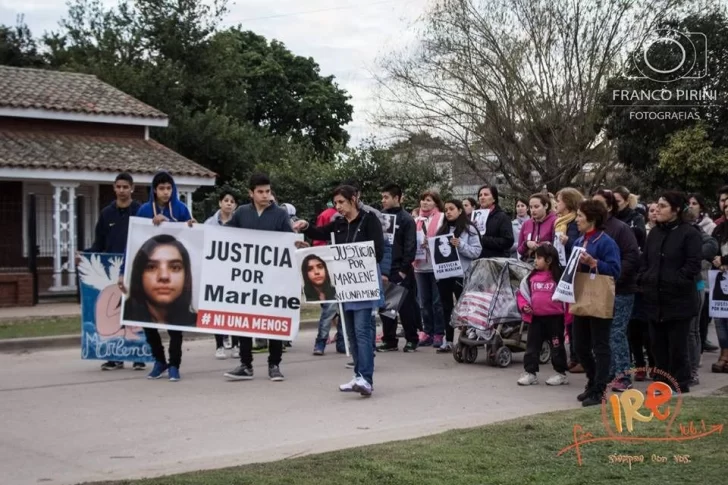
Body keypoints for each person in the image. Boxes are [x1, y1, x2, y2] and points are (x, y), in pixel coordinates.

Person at [294, 185, 384, 397]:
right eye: (335, 203)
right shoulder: (338, 224)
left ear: (354, 199)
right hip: (344, 286)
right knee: (350, 331)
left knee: (362, 331)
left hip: (363, 284)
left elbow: (378, 252)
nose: (338, 207)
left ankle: (366, 378)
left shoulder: (370, 219)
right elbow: (320, 233)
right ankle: (358, 375)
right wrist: (306, 226)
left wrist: (357, 258)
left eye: (342, 202)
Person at [222, 174, 294, 382]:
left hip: (273, 278)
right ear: (251, 193)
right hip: (246, 279)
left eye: (268, 191)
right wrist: (197, 230)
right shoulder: (242, 213)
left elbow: (289, 240)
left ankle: (274, 364)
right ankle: (246, 364)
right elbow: (224, 236)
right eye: (260, 191)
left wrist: (297, 245)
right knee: (244, 321)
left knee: (273, 320)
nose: (265, 195)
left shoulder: (280, 214)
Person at [77, 172, 145, 372]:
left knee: (135, 312)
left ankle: (138, 355)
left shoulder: (140, 210)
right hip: (111, 272)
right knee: (114, 314)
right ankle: (115, 357)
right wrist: (85, 255)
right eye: (119, 187)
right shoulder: (107, 213)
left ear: (132, 188)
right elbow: (99, 243)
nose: (122, 190)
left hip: (134, 268)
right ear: (114, 188)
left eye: (126, 187)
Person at [132, 171, 195, 381]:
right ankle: (160, 361)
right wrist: (151, 222)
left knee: (175, 324)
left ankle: (174, 364)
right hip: (148, 274)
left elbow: (191, 235)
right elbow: (133, 242)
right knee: (148, 322)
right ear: (155, 190)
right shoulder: (143, 210)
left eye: (169, 188)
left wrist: (192, 225)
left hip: (173, 273)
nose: (166, 192)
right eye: (161, 188)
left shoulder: (180, 208)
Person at [638, 191, 702, 394]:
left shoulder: (689, 233)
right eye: (657, 205)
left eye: (663, 206)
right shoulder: (655, 233)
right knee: (657, 346)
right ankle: (662, 381)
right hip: (654, 300)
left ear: (675, 210)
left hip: (678, 301)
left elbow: (692, 266)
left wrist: (675, 280)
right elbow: (645, 261)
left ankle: (680, 383)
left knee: (677, 347)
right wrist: (645, 278)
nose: (658, 209)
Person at [571, 199, 622, 407]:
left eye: (580, 216)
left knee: (600, 346)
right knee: (580, 345)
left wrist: (594, 263)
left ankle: (600, 388)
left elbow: (615, 271)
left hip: (599, 298)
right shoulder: (578, 241)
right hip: (582, 297)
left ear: (591, 219)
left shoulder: (606, 242)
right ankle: (593, 380)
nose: (576, 220)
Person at [592, 189, 640, 392]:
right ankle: (609, 370)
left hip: (620, 289)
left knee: (616, 332)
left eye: (599, 203)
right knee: (603, 333)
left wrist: (616, 276)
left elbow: (631, 257)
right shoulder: (594, 230)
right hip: (599, 288)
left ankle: (623, 374)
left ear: (609, 206)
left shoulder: (620, 229)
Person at [516, 244, 571, 386]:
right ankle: (530, 373)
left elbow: (568, 299)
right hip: (536, 318)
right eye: (535, 257)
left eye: (539, 258)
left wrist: (568, 320)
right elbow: (522, 293)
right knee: (532, 346)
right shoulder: (530, 277)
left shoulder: (559, 278)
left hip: (555, 319)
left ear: (549, 260)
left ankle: (560, 373)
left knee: (556, 346)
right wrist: (525, 306)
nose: (535, 261)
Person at [434, 199, 482, 353]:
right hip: (444, 275)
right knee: (446, 307)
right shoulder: (442, 230)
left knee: (465, 307)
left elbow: (476, 251)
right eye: (446, 209)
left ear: (460, 211)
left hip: (461, 275)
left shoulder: (469, 229)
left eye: (451, 209)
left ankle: (468, 338)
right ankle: (448, 340)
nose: (448, 212)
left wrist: (460, 244)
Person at [378, 183, 420, 352]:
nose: (383, 200)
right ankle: (389, 340)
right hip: (385, 269)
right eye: (382, 197)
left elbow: (410, 246)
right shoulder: (381, 217)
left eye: (386, 197)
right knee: (386, 307)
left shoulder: (406, 219)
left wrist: (403, 270)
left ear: (397, 198)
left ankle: (412, 338)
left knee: (405, 307)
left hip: (401, 270)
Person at [205, 189, 240, 359]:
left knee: (235, 308)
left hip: (235, 273)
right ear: (220, 203)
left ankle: (235, 344)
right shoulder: (210, 224)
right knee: (218, 308)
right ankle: (219, 345)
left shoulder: (241, 222)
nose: (228, 203)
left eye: (232, 201)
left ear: (235, 205)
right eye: (226, 200)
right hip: (216, 273)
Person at [413, 190, 446, 348]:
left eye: (428, 200)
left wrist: (431, 241)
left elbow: (444, 238)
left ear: (436, 203)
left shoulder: (441, 218)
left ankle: (439, 332)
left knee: (436, 301)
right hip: (420, 266)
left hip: (436, 265)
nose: (424, 203)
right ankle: (427, 331)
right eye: (422, 200)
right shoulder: (416, 220)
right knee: (423, 301)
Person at [709, 206, 728, 373]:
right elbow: (711, 249)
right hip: (720, 278)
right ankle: (724, 354)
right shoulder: (719, 229)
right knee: (720, 320)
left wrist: (724, 259)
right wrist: (718, 261)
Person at [476, 185, 514, 258]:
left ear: (494, 199)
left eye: (486, 195)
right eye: (480, 195)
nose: (482, 197)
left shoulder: (503, 217)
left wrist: (483, 239)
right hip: (476, 260)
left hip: (496, 261)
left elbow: (508, 241)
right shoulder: (475, 216)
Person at [517, 193, 556, 263]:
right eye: (531, 207)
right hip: (526, 264)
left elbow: (556, 248)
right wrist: (526, 244)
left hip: (546, 266)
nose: (533, 210)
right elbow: (519, 250)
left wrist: (538, 246)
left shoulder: (554, 221)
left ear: (546, 206)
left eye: (536, 207)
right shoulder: (526, 224)